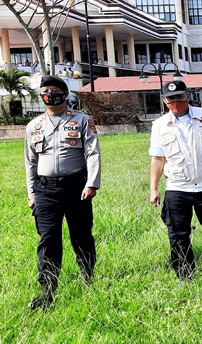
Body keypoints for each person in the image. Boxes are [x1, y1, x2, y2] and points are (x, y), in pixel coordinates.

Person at [24, 75, 101, 310]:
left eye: (54, 91)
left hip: (76, 188)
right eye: (45, 91)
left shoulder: (82, 121)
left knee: (81, 236)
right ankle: (47, 290)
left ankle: (88, 277)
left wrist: (92, 184)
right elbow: (30, 162)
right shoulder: (34, 126)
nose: (50, 95)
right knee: (48, 239)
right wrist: (31, 193)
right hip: (45, 191)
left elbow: (92, 153)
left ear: (65, 94)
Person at [149, 80, 202, 281]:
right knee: (177, 233)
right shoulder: (159, 125)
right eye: (171, 99)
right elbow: (158, 158)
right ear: (164, 100)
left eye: (179, 97)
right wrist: (153, 188)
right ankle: (185, 274)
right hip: (177, 186)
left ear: (187, 95)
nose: (176, 102)